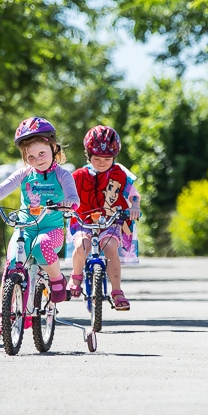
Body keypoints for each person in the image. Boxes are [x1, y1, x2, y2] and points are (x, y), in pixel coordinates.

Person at [0, 117, 79, 335]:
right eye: (30, 156)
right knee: (11, 263)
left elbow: (73, 196)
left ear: (53, 147)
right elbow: (2, 188)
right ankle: (4, 315)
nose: (37, 159)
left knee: (41, 246)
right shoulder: (24, 174)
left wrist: (70, 202)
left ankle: (57, 279)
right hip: (24, 228)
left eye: (42, 153)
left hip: (52, 230)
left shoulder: (62, 174)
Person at [67, 125, 141, 311]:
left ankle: (117, 291)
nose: (102, 162)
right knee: (82, 246)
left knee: (109, 247)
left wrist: (134, 206)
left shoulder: (120, 175)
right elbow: (65, 194)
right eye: (97, 158)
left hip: (111, 222)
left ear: (114, 157)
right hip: (84, 221)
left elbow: (133, 195)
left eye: (107, 159)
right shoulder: (78, 176)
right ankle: (76, 277)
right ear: (88, 156)